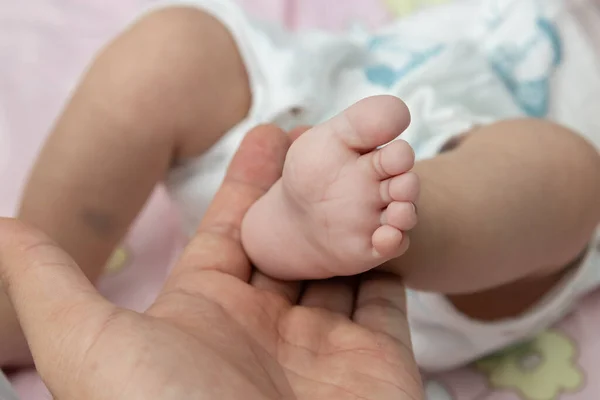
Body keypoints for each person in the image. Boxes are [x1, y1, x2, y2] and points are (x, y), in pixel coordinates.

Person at [2, 0, 600, 372]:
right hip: (329, 102)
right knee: (173, 45)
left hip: (452, 257)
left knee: (568, 177)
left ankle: (371, 231)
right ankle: (26, 293)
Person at [0, 125, 424, 399]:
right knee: (180, 38)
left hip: (416, 184)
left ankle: (15, 311)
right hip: (342, 84)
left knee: (445, 191)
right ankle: (20, 315)